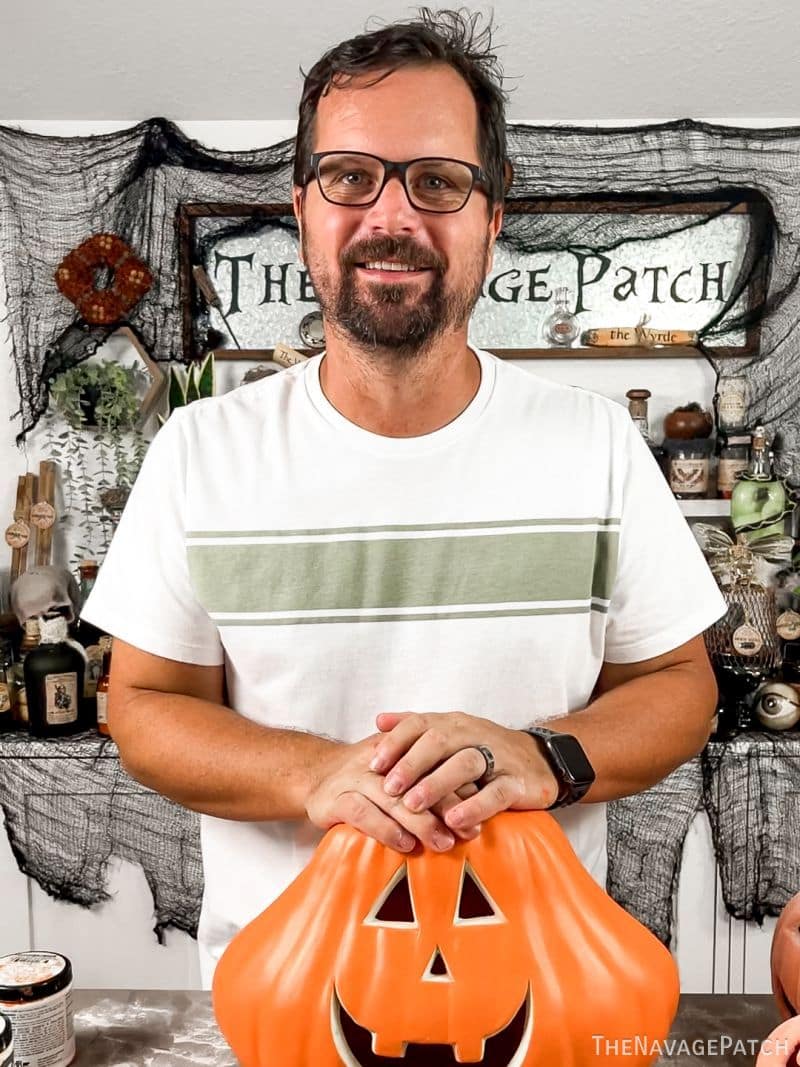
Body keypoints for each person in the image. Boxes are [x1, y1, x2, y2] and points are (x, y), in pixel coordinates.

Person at [82, 9, 726, 986]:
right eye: (350, 177)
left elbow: (681, 688)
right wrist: (313, 773)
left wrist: (542, 757)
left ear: (489, 216)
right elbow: (141, 706)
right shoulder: (200, 450)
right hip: (284, 996)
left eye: (436, 181)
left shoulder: (592, 444)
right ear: (301, 208)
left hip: (539, 993)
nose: (393, 216)